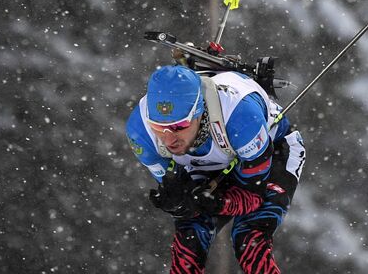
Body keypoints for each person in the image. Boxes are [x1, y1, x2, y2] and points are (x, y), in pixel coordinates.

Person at [125, 65, 306, 273]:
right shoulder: (140, 132)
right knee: (190, 240)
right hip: (209, 160)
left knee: (248, 238)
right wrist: (180, 204)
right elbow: (182, 196)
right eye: (158, 127)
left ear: (199, 112)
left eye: (179, 126)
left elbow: (252, 197)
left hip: (272, 150)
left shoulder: (240, 117)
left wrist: (219, 203)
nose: (168, 138)